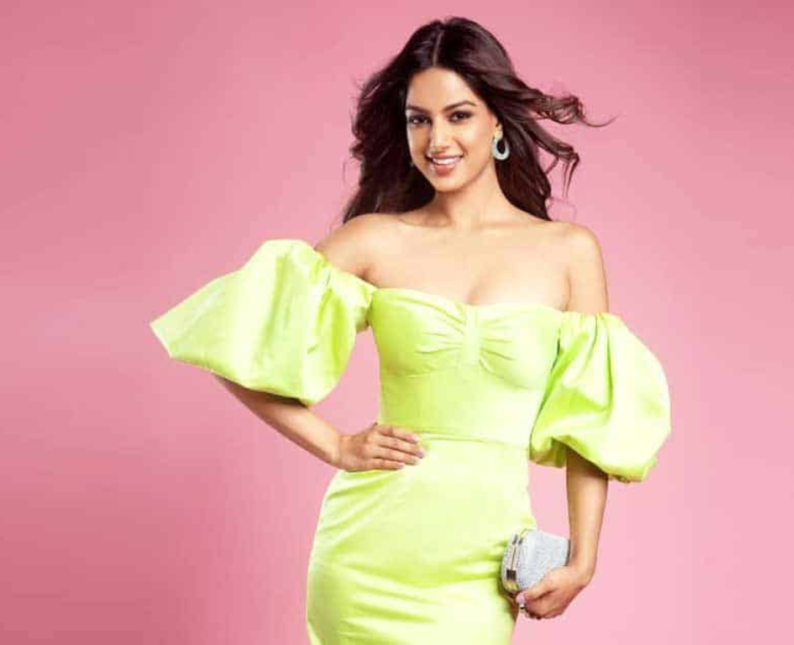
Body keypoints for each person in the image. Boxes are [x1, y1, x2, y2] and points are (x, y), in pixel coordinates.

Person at [148, 16, 672, 644]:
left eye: (458, 115)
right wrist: (335, 446)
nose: (436, 139)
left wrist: (583, 559)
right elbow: (231, 338)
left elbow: (591, 420)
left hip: (479, 564)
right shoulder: (376, 239)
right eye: (418, 120)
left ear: (497, 121)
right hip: (366, 557)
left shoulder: (568, 252)